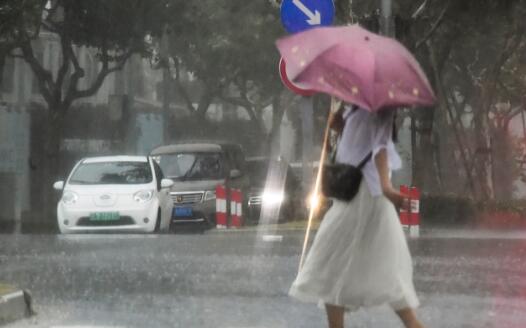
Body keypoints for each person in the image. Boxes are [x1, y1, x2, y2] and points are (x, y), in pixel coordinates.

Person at [289, 103, 425, 328]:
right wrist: (340, 126)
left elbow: (379, 149)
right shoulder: (354, 107)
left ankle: (412, 324)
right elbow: (359, 144)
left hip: (364, 195)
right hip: (355, 195)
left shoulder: (379, 108)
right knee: (375, 264)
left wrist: (386, 188)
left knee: (332, 261)